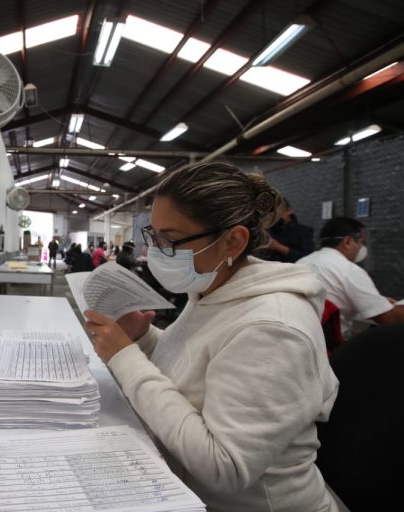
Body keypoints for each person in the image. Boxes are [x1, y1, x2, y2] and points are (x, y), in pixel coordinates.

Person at [83, 162, 340, 512]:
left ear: (233, 240)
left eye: (170, 239)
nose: (154, 252)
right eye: (153, 236)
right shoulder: (212, 290)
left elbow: (225, 468)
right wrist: (142, 339)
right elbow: (196, 370)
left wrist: (125, 357)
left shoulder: (274, 329)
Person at [297, 216, 404, 338]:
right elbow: (390, 318)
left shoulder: (302, 262)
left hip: (300, 340)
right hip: (329, 348)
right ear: (347, 242)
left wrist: (378, 301)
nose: (361, 248)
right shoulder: (348, 270)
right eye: (360, 242)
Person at [259, 198, 314, 262]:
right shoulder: (266, 231)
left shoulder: (304, 231)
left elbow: (309, 258)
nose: (275, 216)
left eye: (278, 212)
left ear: (288, 211)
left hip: (293, 270)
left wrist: (280, 248)